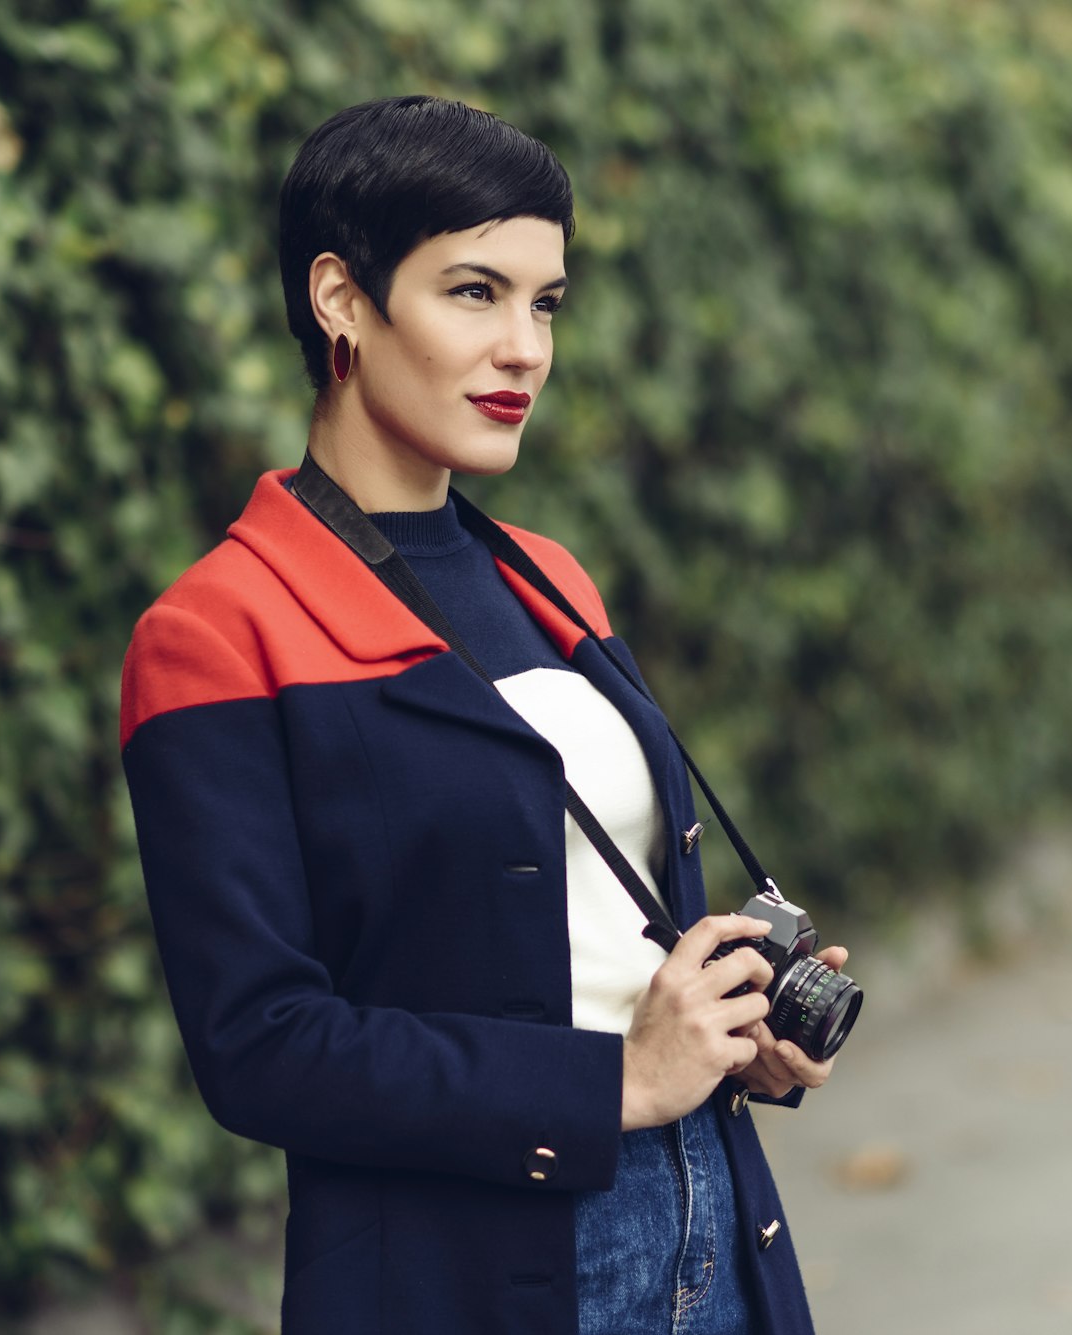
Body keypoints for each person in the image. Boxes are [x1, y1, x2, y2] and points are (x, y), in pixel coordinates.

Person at [117, 95, 846, 1334]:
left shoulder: (546, 576)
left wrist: (719, 1029)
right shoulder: (213, 632)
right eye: (473, 292)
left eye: (544, 301)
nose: (525, 349)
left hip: (712, 1220)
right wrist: (614, 1079)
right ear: (341, 298)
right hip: (472, 1275)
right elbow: (261, 1045)